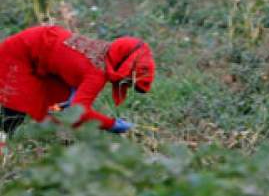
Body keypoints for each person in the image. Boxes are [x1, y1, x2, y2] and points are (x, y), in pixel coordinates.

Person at [0, 25, 155, 137]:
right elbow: (80, 112)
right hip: (20, 53)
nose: (126, 84)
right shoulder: (97, 72)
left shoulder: (103, 51)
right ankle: (6, 146)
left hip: (41, 53)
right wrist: (112, 124)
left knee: (56, 106)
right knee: (14, 109)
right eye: (128, 79)